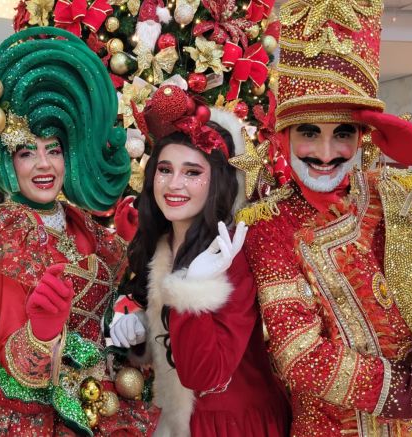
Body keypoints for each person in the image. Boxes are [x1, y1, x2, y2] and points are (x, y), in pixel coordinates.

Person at [0, 27, 158, 436]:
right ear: (7, 160)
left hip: (96, 403)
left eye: (52, 149)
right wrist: (44, 332)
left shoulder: (82, 223)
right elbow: (13, 361)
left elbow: (107, 312)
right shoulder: (2, 233)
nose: (43, 165)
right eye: (27, 152)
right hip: (22, 416)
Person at [235, 0, 412, 435]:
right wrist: (400, 389)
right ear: (285, 137)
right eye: (310, 132)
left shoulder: (395, 192)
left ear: (361, 137)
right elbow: (296, 352)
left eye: (343, 134)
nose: (327, 154)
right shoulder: (270, 224)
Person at [108, 85, 291, 436]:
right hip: (177, 422)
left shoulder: (231, 253)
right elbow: (172, 347)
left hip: (232, 427)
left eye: (192, 172)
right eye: (165, 169)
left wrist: (192, 290)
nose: (174, 184)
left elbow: (204, 373)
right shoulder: (159, 245)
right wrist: (141, 336)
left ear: (216, 182)